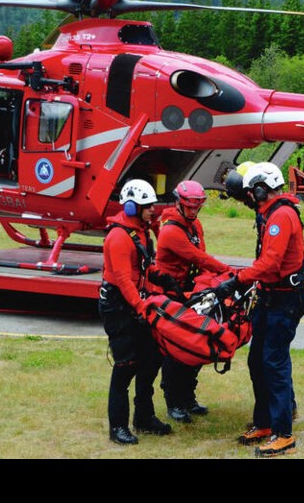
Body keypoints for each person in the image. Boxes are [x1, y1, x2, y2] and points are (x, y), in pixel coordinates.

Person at [216, 161, 304, 457]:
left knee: (273, 362)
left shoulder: (281, 216)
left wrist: (236, 281)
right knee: (258, 361)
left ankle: (284, 435)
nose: (249, 198)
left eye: (252, 192)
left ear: (261, 189)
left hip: (285, 299)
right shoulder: (269, 214)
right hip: (272, 297)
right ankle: (265, 422)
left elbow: (270, 263)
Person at [151, 180, 236, 424]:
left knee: (196, 346)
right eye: (189, 207)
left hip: (188, 293)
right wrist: (230, 273)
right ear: (179, 203)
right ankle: (173, 402)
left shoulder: (194, 225)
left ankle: (187, 398)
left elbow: (201, 258)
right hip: (169, 295)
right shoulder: (170, 231)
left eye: (196, 207)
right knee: (176, 351)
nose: (193, 211)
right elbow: (199, 258)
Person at [99, 178, 173, 445]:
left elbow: (140, 267)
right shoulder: (118, 236)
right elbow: (122, 278)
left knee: (151, 359)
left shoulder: (139, 231)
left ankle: (144, 417)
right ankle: (117, 426)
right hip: (119, 305)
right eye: (148, 206)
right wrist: (141, 307)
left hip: (134, 302)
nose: (154, 210)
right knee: (125, 365)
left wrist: (161, 278)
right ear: (131, 207)